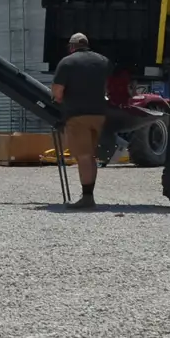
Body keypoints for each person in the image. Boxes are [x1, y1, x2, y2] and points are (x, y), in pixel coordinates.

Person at [52, 32, 110, 209]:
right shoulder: (103, 61)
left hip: (78, 116)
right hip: (101, 115)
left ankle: (87, 198)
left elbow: (57, 91)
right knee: (92, 156)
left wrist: (58, 100)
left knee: (84, 156)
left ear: (71, 47)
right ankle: (89, 195)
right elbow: (108, 87)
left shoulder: (67, 62)